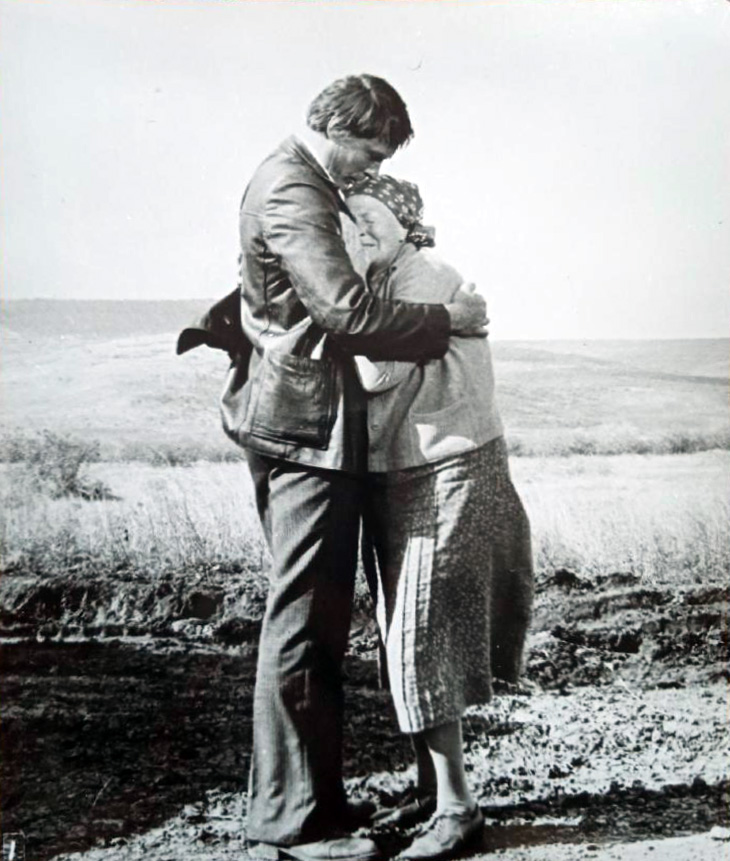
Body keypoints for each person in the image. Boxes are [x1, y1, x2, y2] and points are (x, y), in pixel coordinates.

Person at [235, 75, 489, 861]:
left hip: (319, 434)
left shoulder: (306, 183)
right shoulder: (292, 187)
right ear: (340, 129)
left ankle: (315, 804)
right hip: (304, 435)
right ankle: (296, 824)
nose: (370, 171)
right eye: (370, 153)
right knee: (304, 622)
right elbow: (347, 311)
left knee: (318, 623)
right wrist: (449, 318)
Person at [344, 175, 534, 860]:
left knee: (422, 636)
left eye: (371, 216)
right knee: (411, 631)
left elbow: (376, 374)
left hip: (448, 471)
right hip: (415, 473)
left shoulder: (422, 276)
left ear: (406, 223)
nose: (360, 229)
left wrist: (344, 304)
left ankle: (458, 807)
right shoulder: (394, 282)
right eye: (349, 220)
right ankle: (432, 792)